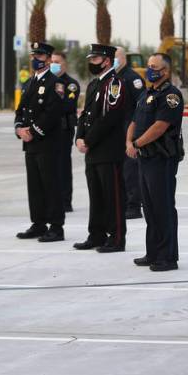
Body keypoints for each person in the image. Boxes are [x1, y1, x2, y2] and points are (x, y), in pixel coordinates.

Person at [127, 53, 184, 271]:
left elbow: (160, 127)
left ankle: (167, 257)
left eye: (155, 67)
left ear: (166, 71)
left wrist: (137, 144)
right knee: (149, 208)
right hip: (144, 158)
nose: (151, 70)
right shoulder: (146, 94)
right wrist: (128, 143)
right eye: (149, 66)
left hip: (161, 159)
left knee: (163, 208)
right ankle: (153, 253)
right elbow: (134, 121)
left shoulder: (171, 96)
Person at [73, 44, 128, 253]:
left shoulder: (115, 84)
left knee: (112, 197)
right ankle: (96, 234)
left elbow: (109, 118)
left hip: (107, 150)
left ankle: (116, 238)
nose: (91, 63)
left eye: (95, 60)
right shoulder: (95, 84)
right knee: (96, 195)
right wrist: (79, 137)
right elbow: (85, 114)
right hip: (93, 151)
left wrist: (89, 140)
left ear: (106, 60)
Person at [14, 42, 66, 243]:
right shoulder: (29, 83)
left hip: (46, 142)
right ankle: (38, 223)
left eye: (40, 56)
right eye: (33, 55)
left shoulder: (55, 84)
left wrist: (33, 132)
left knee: (50, 185)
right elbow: (20, 110)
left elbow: (52, 113)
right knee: (34, 186)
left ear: (48, 58)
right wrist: (19, 129)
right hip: (30, 143)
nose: (36, 59)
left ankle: (56, 226)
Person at [115, 47, 146, 219]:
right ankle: (122, 203)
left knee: (130, 170)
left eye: (115, 57)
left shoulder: (133, 78)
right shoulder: (112, 78)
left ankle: (133, 206)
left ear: (123, 58)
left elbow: (141, 107)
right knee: (119, 170)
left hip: (129, 130)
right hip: (115, 132)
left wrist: (135, 133)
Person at [51, 51, 81, 213]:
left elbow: (67, 105)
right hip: (49, 130)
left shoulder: (71, 84)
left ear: (65, 65)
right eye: (52, 61)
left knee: (63, 165)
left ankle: (65, 200)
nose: (54, 64)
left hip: (63, 129)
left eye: (58, 62)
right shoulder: (47, 82)